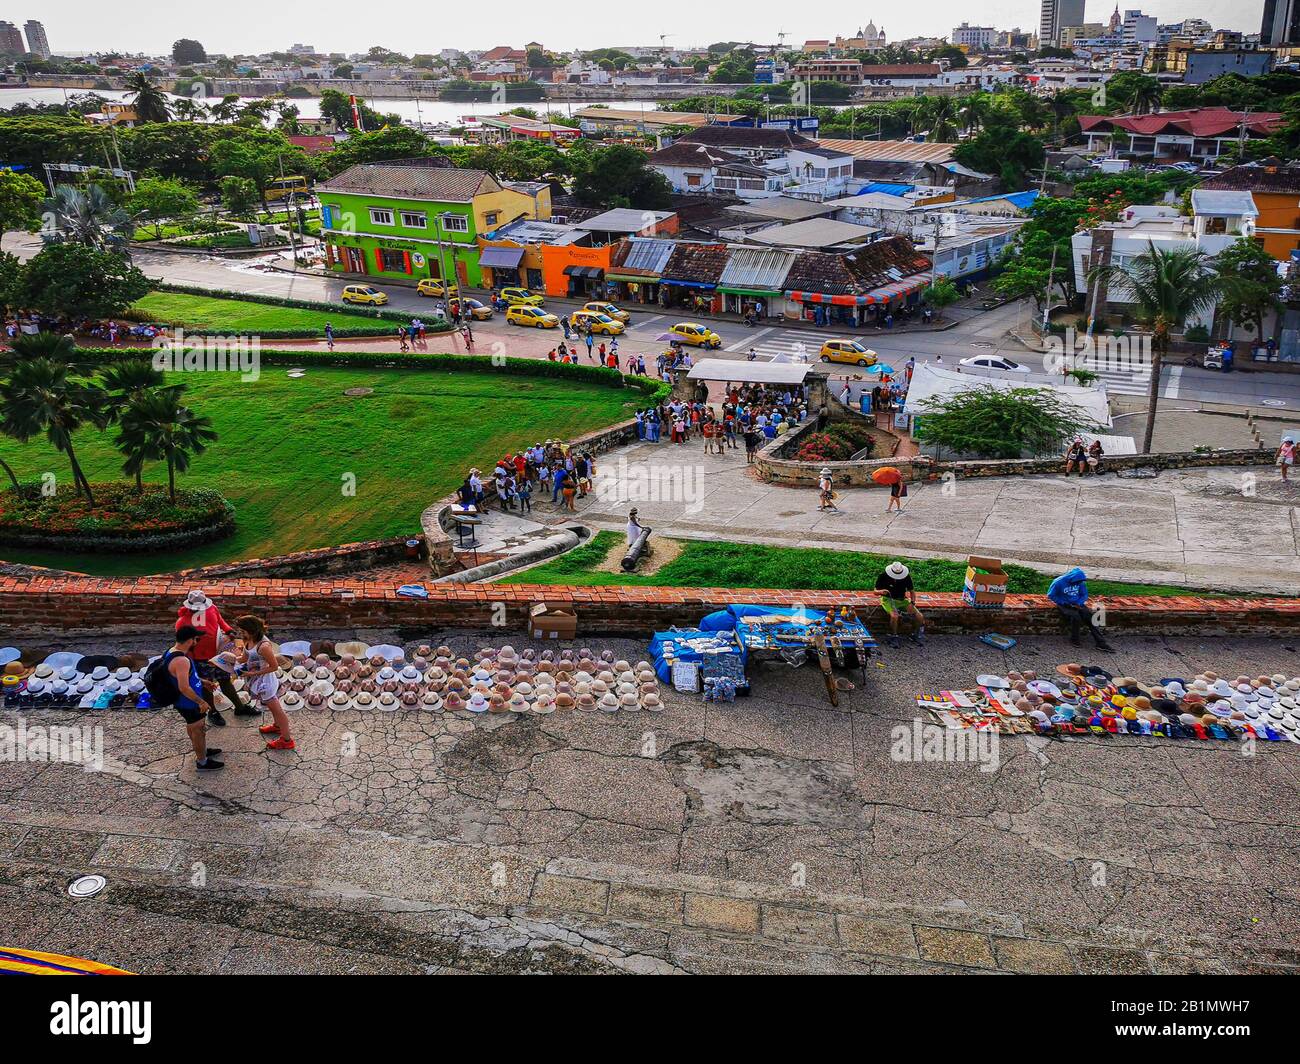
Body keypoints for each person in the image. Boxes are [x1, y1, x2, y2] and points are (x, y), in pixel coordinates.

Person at [175, 590, 256, 725]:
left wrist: (229, 630)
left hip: (219, 653)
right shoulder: (182, 622)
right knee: (207, 686)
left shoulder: (212, 609)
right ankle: (213, 712)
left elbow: (220, 621)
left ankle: (240, 707)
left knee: (225, 680)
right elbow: (182, 645)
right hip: (199, 659)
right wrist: (189, 662)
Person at [233, 615, 295, 751]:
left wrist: (251, 674)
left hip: (265, 683)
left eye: (243, 631)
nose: (241, 634)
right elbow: (244, 658)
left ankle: (286, 740)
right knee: (274, 708)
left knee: (277, 710)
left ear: (252, 630)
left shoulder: (263, 646)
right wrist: (229, 659)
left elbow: (273, 666)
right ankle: (277, 726)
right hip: (258, 680)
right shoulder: (248, 640)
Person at [167, 626, 222, 771]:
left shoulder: (173, 652)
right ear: (190, 640)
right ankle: (202, 761)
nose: (197, 642)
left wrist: (204, 682)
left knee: (193, 727)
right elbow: (184, 687)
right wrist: (201, 701)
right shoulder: (181, 660)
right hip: (189, 702)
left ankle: (201, 750)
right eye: (196, 639)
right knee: (198, 729)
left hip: (186, 701)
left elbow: (188, 677)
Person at [1047, 566, 1113, 651]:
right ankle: (1074, 639)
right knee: (1076, 618)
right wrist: (1065, 603)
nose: (1078, 584)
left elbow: (1084, 594)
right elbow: (1051, 595)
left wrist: (1079, 603)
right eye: (1077, 582)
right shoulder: (1058, 582)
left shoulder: (1080, 583)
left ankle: (1101, 643)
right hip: (1064, 604)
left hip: (1077, 603)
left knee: (1091, 618)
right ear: (1072, 578)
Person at [874, 561, 925, 648]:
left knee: (919, 616)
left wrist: (912, 603)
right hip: (888, 599)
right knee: (894, 616)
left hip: (902, 599)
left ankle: (915, 634)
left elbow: (912, 592)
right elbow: (875, 591)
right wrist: (880, 592)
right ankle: (894, 636)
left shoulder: (906, 577)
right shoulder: (883, 576)